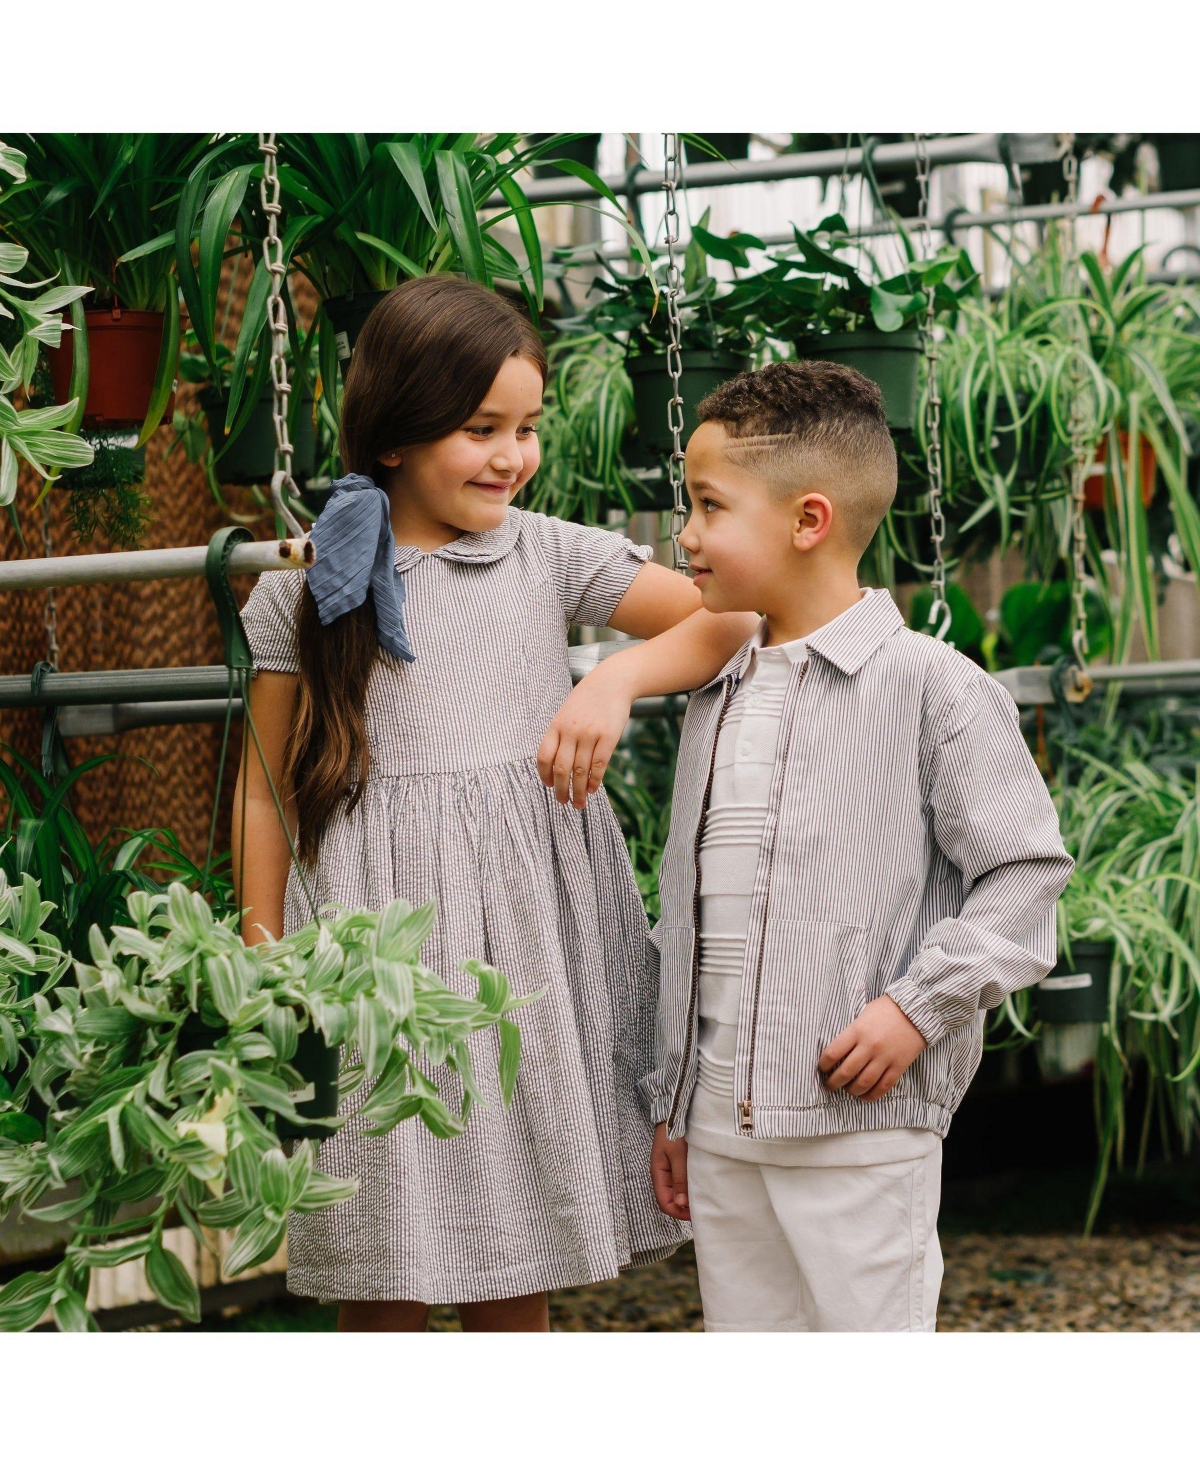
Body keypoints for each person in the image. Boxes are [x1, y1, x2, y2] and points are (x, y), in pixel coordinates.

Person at [232, 276, 756, 1332]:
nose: (511, 455)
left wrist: (609, 679)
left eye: (526, 426)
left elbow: (737, 615)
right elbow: (262, 781)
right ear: (395, 429)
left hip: (519, 937)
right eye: (480, 428)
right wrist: (263, 947)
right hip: (376, 938)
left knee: (513, 1234)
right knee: (381, 1240)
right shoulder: (302, 586)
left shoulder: (545, 551)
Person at [644, 359, 1074, 1332]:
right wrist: (674, 1100)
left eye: (709, 506)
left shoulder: (935, 688)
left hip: (860, 1130)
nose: (687, 534)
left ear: (808, 520)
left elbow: (1025, 873)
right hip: (717, 1130)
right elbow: (695, 913)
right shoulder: (717, 695)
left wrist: (916, 1009)